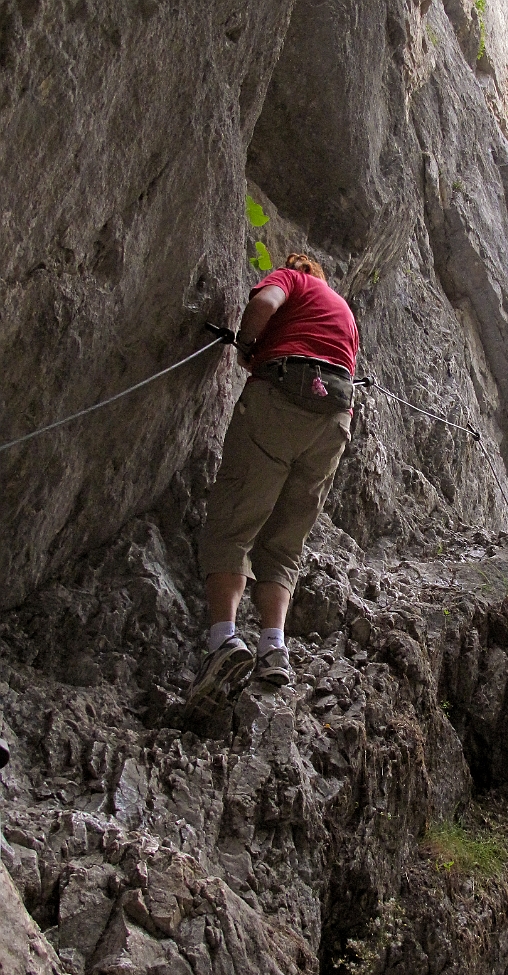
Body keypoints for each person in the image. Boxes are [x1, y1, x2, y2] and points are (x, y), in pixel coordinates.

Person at [185, 253, 359, 718]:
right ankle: (273, 648)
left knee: (234, 521)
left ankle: (223, 639)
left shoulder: (293, 280)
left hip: (281, 396)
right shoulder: (342, 309)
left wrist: (246, 345)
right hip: (334, 422)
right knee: (284, 541)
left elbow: (266, 301)